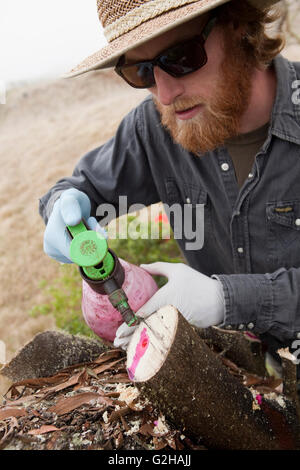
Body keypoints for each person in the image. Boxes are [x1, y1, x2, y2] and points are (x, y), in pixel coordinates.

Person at [39, 0, 300, 373]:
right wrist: (62, 206)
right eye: (140, 71)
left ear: (237, 23)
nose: (164, 93)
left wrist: (227, 300)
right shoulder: (156, 129)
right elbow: (80, 189)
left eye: (180, 57)